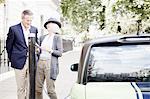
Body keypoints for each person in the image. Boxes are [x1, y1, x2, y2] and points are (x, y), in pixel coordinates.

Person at [6, 10, 38, 99]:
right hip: (19, 62)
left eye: (31, 20)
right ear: (22, 18)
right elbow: (9, 46)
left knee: (30, 87)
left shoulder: (34, 29)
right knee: (21, 87)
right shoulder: (13, 29)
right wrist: (12, 59)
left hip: (31, 62)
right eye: (28, 20)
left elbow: (36, 44)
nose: (29, 22)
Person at [35, 18, 63, 99]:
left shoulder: (57, 37)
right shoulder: (42, 37)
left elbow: (60, 53)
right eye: (48, 25)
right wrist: (38, 50)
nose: (50, 27)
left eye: (52, 25)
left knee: (50, 90)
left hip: (50, 63)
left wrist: (50, 50)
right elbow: (39, 51)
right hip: (40, 62)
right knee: (38, 89)